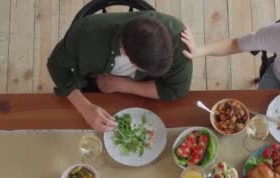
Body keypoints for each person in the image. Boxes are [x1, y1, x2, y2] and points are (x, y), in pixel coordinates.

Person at [48, 11, 193, 132]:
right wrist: (84, 108)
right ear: (126, 54)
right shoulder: (84, 33)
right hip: (90, 89)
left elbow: (177, 89)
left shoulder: (179, 39)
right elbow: (56, 65)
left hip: (142, 93)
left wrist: (123, 85)